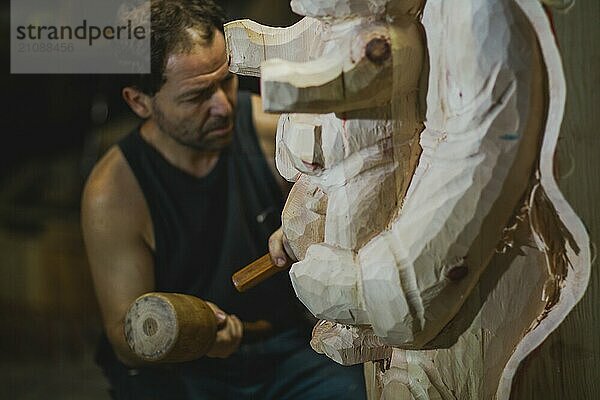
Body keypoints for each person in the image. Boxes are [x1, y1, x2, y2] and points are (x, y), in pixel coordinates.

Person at [81, 0, 367, 399]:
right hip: (180, 371)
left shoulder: (274, 131)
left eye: (226, 81)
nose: (223, 105)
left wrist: (310, 216)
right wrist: (195, 340)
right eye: (198, 95)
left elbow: (362, 176)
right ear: (139, 101)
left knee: (356, 390)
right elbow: (124, 338)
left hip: (281, 350)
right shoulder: (113, 192)